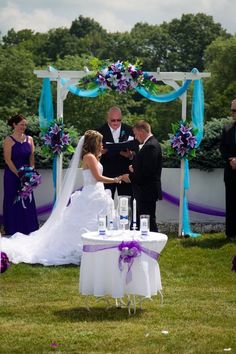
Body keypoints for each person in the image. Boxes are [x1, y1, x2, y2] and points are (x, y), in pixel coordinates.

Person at [1, 130, 122, 265]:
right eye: (100, 141)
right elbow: (97, 177)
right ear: (94, 143)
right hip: (91, 194)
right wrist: (116, 179)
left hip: (96, 194)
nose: (102, 144)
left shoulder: (92, 157)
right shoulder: (89, 157)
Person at [122, 120, 162, 232]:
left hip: (146, 192)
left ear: (142, 131)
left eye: (135, 133)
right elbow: (145, 167)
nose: (135, 137)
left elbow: (147, 173)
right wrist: (134, 168)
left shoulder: (151, 146)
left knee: (148, 223)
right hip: (144, 191)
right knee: (143, 222)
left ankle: (154, 245)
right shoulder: (150, 144)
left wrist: (130, 177)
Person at [3, 114, 39, 235]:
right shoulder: (8, 140)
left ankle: (29, 228)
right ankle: (13, 229)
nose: (23, 127)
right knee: (13, 200)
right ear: (14, 125)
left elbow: (31, 157)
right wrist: (19, 174)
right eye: (21, 124)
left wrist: (31, 172)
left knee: (27, 199)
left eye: (25, 125)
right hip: (12, 175)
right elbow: (8, 160)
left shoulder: (30, 139)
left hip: (27, 175)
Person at [98, 106, 138, 199]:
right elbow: (92, 153)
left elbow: (137, 150)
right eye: (113, 120)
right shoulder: (99, 131)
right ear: (107, 118)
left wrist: (131, 155)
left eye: (118, 120)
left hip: (125, 173)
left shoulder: (130, 130)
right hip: (106, 173)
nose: (116, 122)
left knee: (126, 203)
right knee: (105, 202)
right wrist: (100, 153)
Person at [220, 99, 236, 240]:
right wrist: (231, 160)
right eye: (232, 110)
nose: (233, 113)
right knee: (230, 203)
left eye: (235, 110)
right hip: (230, 172)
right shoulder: (227, 129)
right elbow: (223, 148)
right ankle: (230, 233)